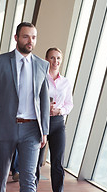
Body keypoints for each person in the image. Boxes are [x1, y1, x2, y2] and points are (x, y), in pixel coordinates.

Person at [0, 22, 50, 192]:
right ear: (16, 38)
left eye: (33, 37)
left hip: (32, 130)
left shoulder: (42, 65)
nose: (30, 41)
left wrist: (45, 131)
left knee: (28, 180)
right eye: (26, 36)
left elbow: (44, 100)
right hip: (3, 128)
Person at [36, 48, 73, 192]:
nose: (55, 61)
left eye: (58, 58)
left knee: (57, 163)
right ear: (46, 59)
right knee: (37, 162)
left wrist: (61, 111)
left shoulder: (65, 82)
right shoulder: (40, 78)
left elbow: (69, 104)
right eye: (52, 58)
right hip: (41, 123)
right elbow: (32, 100)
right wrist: (44, 106)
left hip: (58, 123)